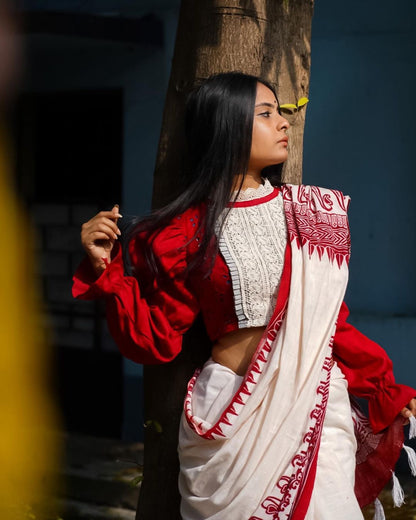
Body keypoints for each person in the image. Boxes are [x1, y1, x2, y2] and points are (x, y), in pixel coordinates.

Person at [73, 72, 416, 519]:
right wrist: (106, 269)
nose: (283, 124)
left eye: (282, 113)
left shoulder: (309, 214)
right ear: (226, 125)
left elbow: (331, 324)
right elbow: (154, 338)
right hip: (228, 418)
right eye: (266, 114)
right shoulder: (184, 231)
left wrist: (383, 386)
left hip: (312, 402)